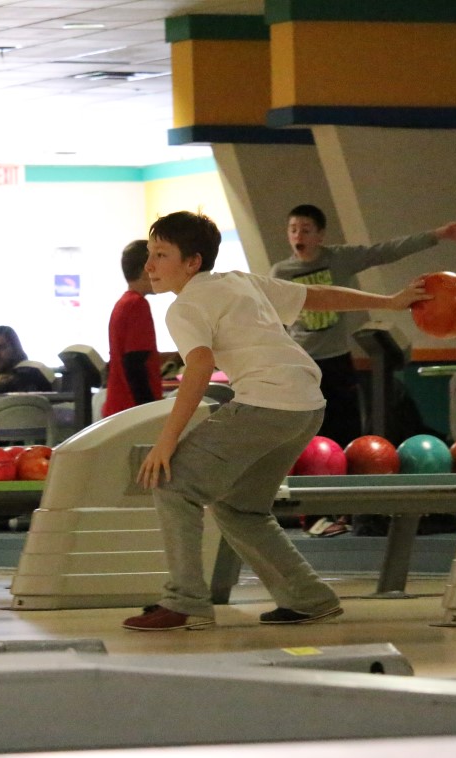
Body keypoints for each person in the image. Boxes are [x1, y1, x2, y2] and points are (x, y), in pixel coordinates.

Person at [121, 211, 431, 631]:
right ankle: (308, 598)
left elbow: (199, 367)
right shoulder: (238, 281)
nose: (149, 266)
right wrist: (388, 302)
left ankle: (185, 602)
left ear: (192, 262)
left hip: (266, 404)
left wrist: (166, 441)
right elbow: (314, 297)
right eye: (150, 254)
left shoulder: (185, 306)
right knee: (240, 507)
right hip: (307, 406)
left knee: (174, 484)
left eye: (161, 255)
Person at [271, 204, 456, 537]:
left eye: (306, 229)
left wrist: (438, 235)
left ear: (320, 235)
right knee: (308, 441)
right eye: (293, 229)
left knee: (346, 438)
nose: (299, 236)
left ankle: (348, 511)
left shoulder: (339, 259)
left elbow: (384, 251)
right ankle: (312, 517)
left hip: (338, 363)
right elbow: (272, 321)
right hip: (302, 366)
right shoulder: (280, 272)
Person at [103, 239, 162, 416]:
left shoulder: (123, 303)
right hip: (132, 408)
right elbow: (135, 364)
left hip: (119, 405)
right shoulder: (138, 304)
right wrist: (149, 412)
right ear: (146, 270)